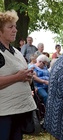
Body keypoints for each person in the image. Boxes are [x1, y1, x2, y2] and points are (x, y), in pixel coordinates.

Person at [0, 10, 36, 140]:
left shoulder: (16, 51)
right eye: (10, 27)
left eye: (15, 26)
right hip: (3, 114)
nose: (15, 30)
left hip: (19, 111)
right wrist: (18, 77)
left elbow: (24, 77)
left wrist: (28, 77)